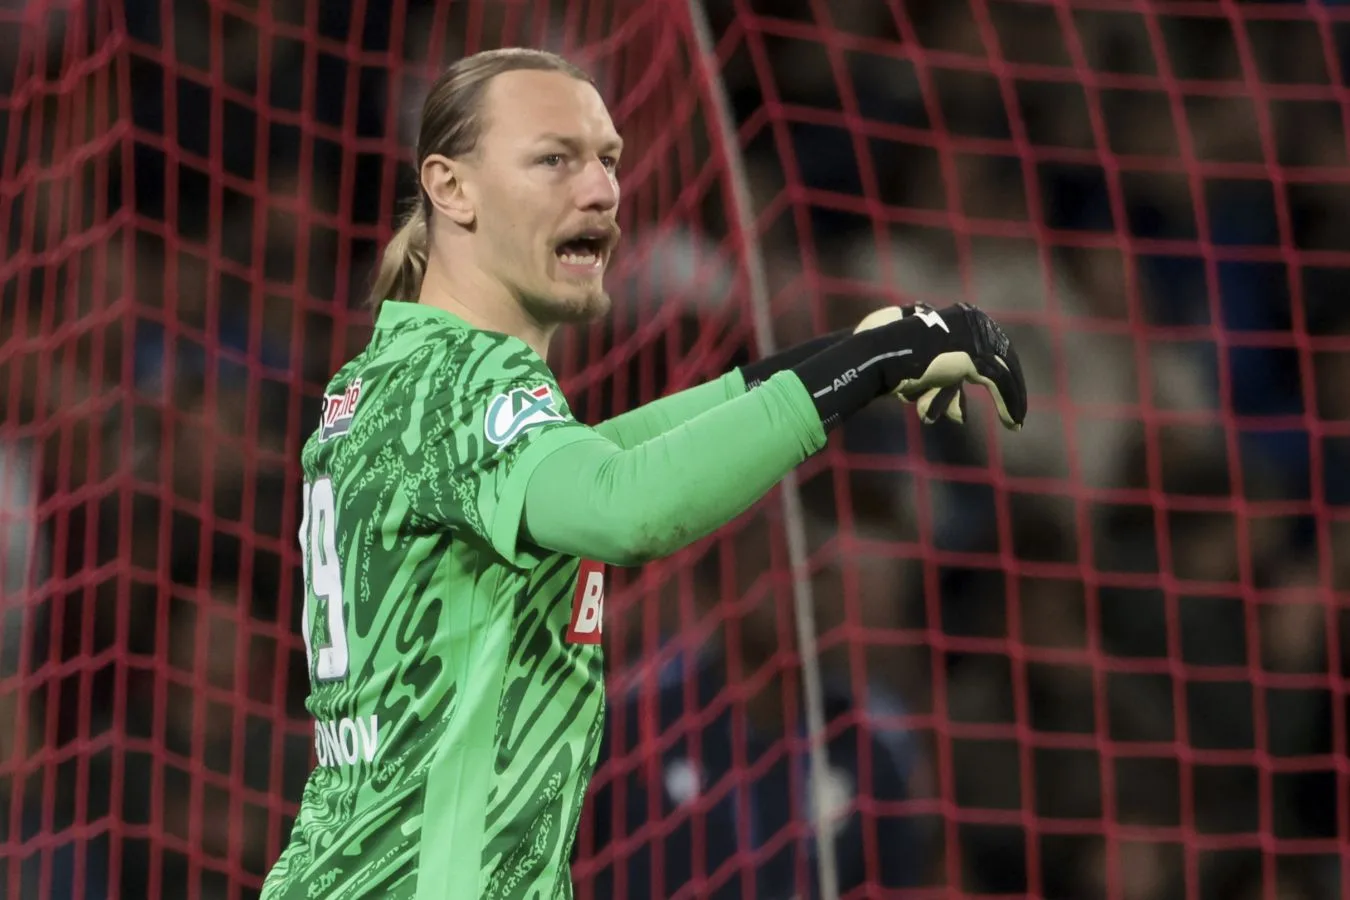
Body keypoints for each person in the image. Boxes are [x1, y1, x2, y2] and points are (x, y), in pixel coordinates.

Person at [260, 46, 1027, 900]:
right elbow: (630, 506)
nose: (600, 191)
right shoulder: (461, 382)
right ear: (452, 189)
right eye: (553, 160)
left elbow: (616, 453)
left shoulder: (394, 376)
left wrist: (850, 354)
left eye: (606, 160)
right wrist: (878, 360)